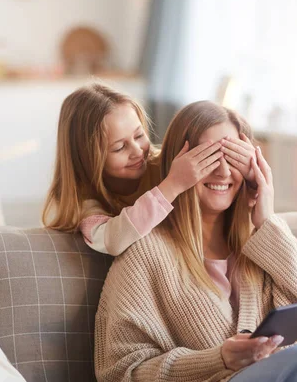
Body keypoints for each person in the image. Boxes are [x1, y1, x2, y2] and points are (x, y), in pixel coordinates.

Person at [94, 100, 297, 382]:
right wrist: (218, 359)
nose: (223, 172)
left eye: (233, 157)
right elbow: (121, 376)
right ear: (179, 166)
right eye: (209, 157)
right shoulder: (144, 253)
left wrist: (267, 221)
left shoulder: (264, 243)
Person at [43, 84, 230, 256]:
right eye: (119, 148)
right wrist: (172, 186)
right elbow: (113, 241)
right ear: (87, 158)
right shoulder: (84, 201)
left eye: (139, 135)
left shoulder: (165, 165)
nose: (137, 150)